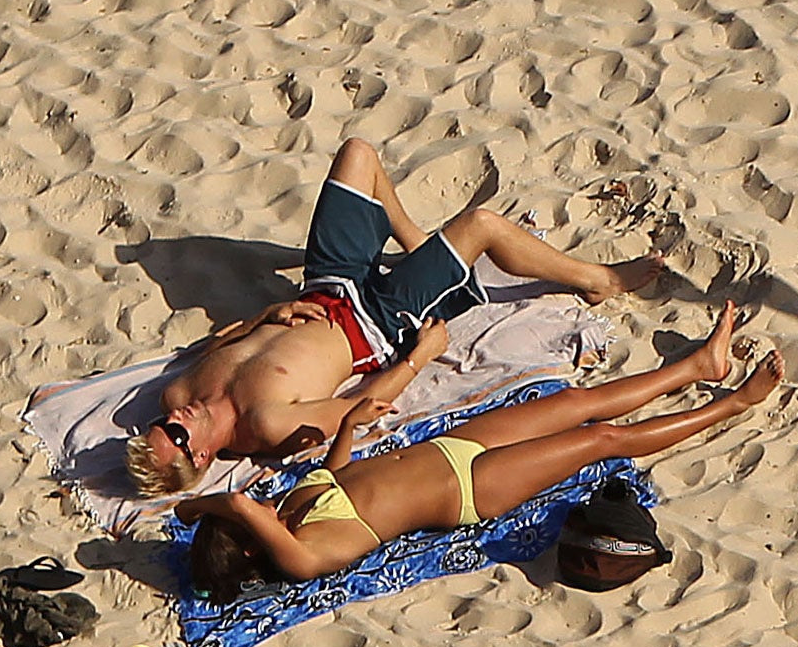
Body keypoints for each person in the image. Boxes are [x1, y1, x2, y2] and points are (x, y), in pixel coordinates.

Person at [126, 137, 663, 496]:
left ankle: (414, 241)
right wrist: (418, 358)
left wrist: (271, 311)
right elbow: (359, 408)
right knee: (482, 225)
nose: (174, 418)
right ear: (198, 455)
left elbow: (227, 339)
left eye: (161, 426)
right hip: (380, 321)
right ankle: (600, 279)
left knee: (357, 154)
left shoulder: (177, 395)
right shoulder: (266, 424)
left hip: (327, 285)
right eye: (173, 434)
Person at [177, 302, 781, 598]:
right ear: (251, 543)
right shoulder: (301, 555)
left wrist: (350, 427)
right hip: (469, 489)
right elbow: (232, 504)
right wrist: (220, 515)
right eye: (246, 520)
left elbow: (333, 478)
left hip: (452, 446)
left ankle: (700, 365)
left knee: (576, 403)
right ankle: (729, 406)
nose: (255, 504)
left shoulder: (289, 514)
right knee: (600, 440)